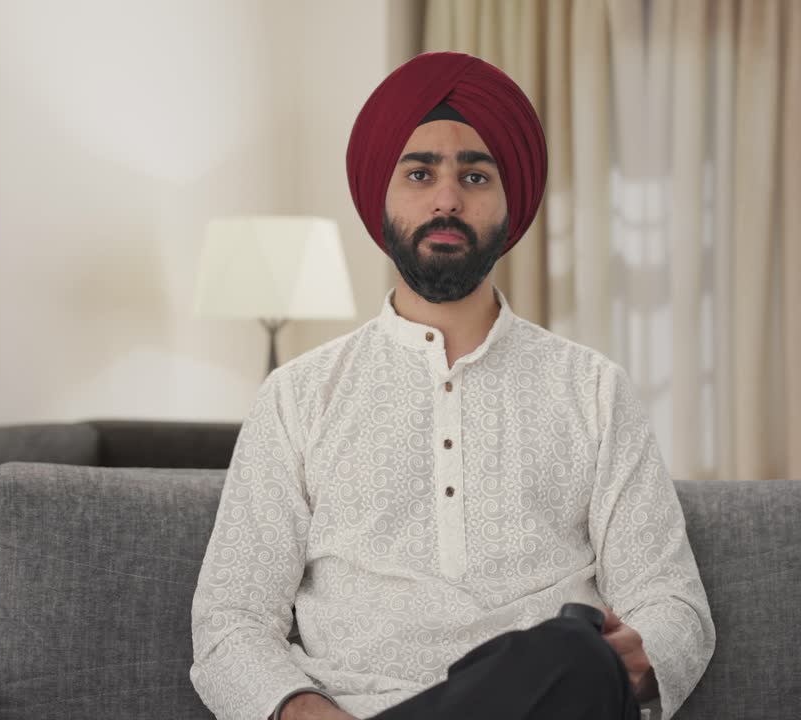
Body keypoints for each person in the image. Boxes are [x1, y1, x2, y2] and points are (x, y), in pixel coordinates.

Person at [190, 51, 715, 720]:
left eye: (474, 175)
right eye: (420, 173)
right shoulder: (298, 396)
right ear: (380, 195)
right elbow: (231, 620)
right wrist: (305, 712)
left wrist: (634, 656)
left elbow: (672, 602)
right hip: (356, 709)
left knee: (572, 652)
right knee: (573, 651)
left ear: (509, 201)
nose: (446, 199)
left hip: (551, 703)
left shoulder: (592, 390)